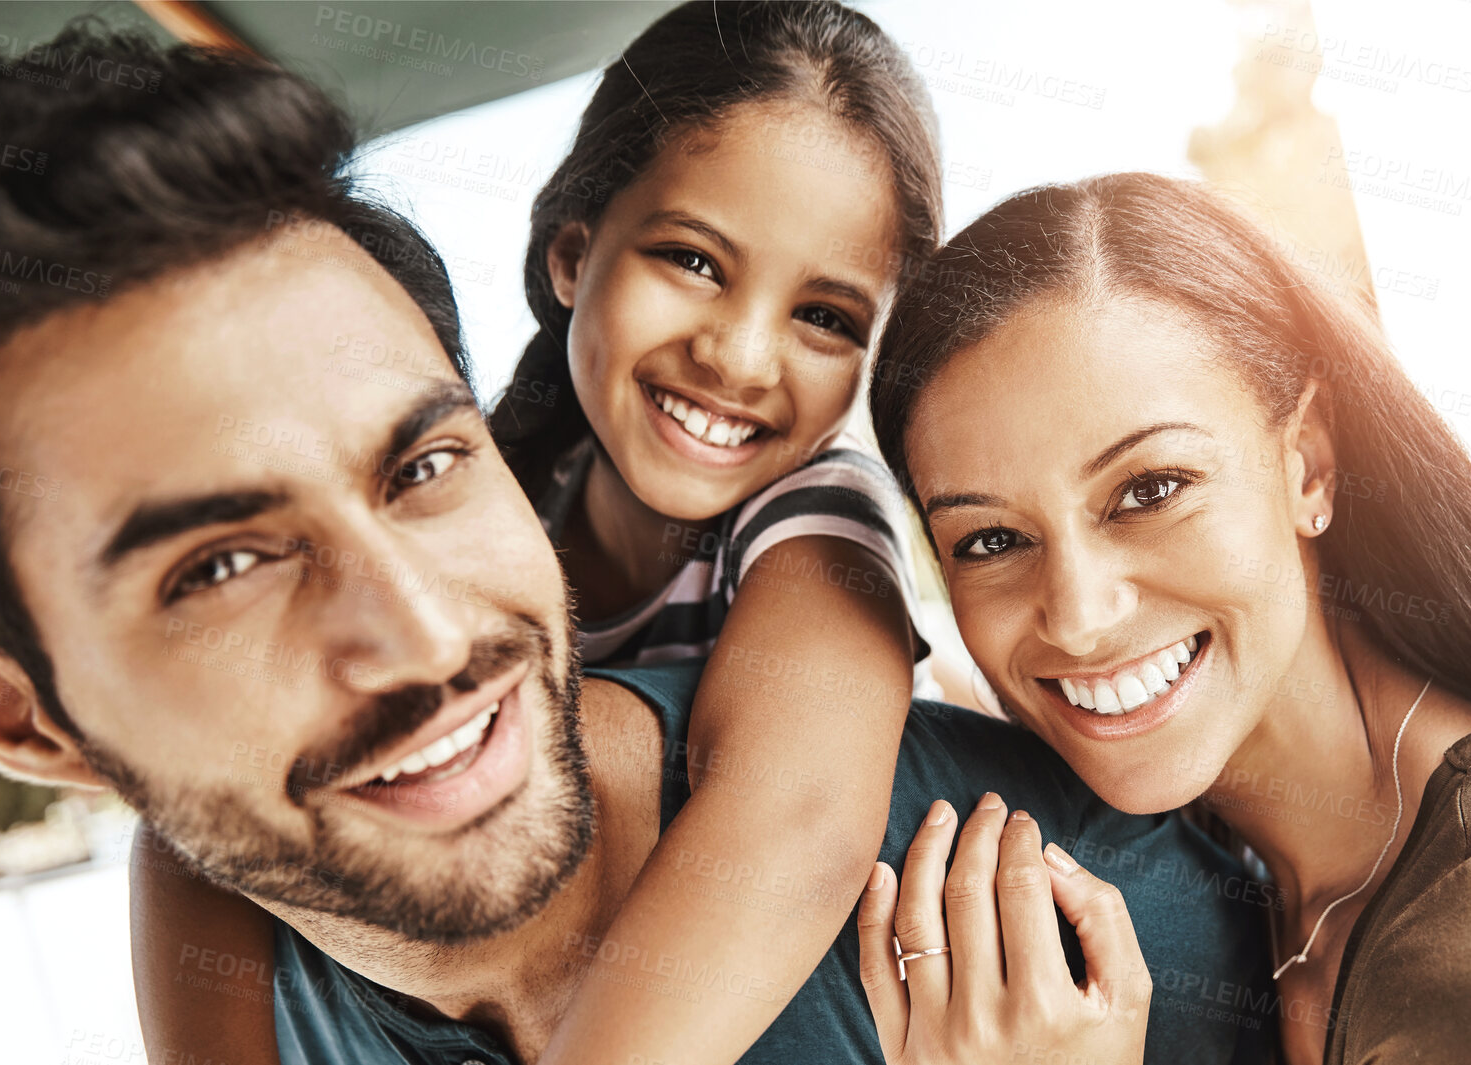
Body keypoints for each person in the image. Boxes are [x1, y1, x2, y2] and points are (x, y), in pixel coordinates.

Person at [0, 35, 1273, 1065]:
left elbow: (796, 822)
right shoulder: (244, 931)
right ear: (23, 721)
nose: (428, 635)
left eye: (423, 467)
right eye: (219, 566)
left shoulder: (1076, 931)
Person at [126, 4, 972, 1064]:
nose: (742, 357)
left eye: (827, 318)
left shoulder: (819, 519)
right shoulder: (494, 500)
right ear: (574, 255)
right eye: (695, 261)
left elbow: (798, 826)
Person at [858, 172, 1471, 1063]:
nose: (1078, 615)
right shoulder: (1247, 879)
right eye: (989, 540)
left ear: (1306, 464)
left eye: (1150, 489)